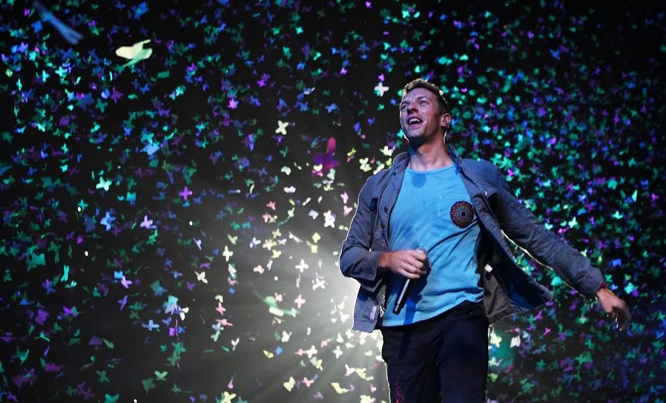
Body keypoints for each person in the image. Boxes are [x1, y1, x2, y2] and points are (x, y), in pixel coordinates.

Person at [339, 78, 631, 402]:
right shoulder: (379, 186)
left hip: (461, 316)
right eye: (404, 107)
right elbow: (349, 257)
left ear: (445, 119)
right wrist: (386, 259)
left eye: (421, 103)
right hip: (401, 330)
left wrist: (596, 286)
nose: (411, 110)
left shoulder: (479, 177)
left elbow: (537, 237)